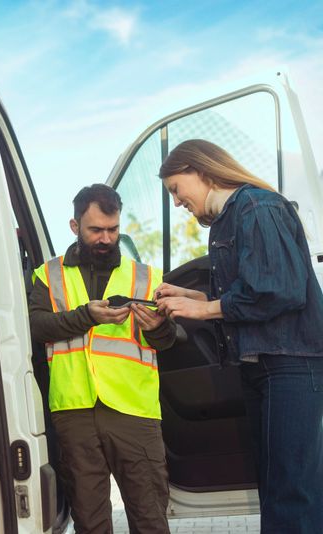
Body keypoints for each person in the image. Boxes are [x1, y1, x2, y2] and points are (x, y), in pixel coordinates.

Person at [156, 139, 323, 533]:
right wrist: (191, 295)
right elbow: (250, 290)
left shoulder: (256, 207)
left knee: (291, 492)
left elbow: (279, 290)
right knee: (276, 488)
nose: (177, 202)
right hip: (263, 364)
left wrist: (203, 309)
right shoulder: (229, 220)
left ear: (200, 170)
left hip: (290, 364)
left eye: (176, 189)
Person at [29, 184, 176, 534]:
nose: (106, 238)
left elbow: (167, 340)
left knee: (150, 518)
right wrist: (88, 317)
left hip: (134, 411)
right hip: (74, 410)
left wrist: (156, 327)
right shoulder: (47, 275)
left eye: (113, 229)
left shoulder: (147, 277)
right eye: (96, 229)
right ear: (74, 225)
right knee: (90, 522)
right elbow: (35, 327)